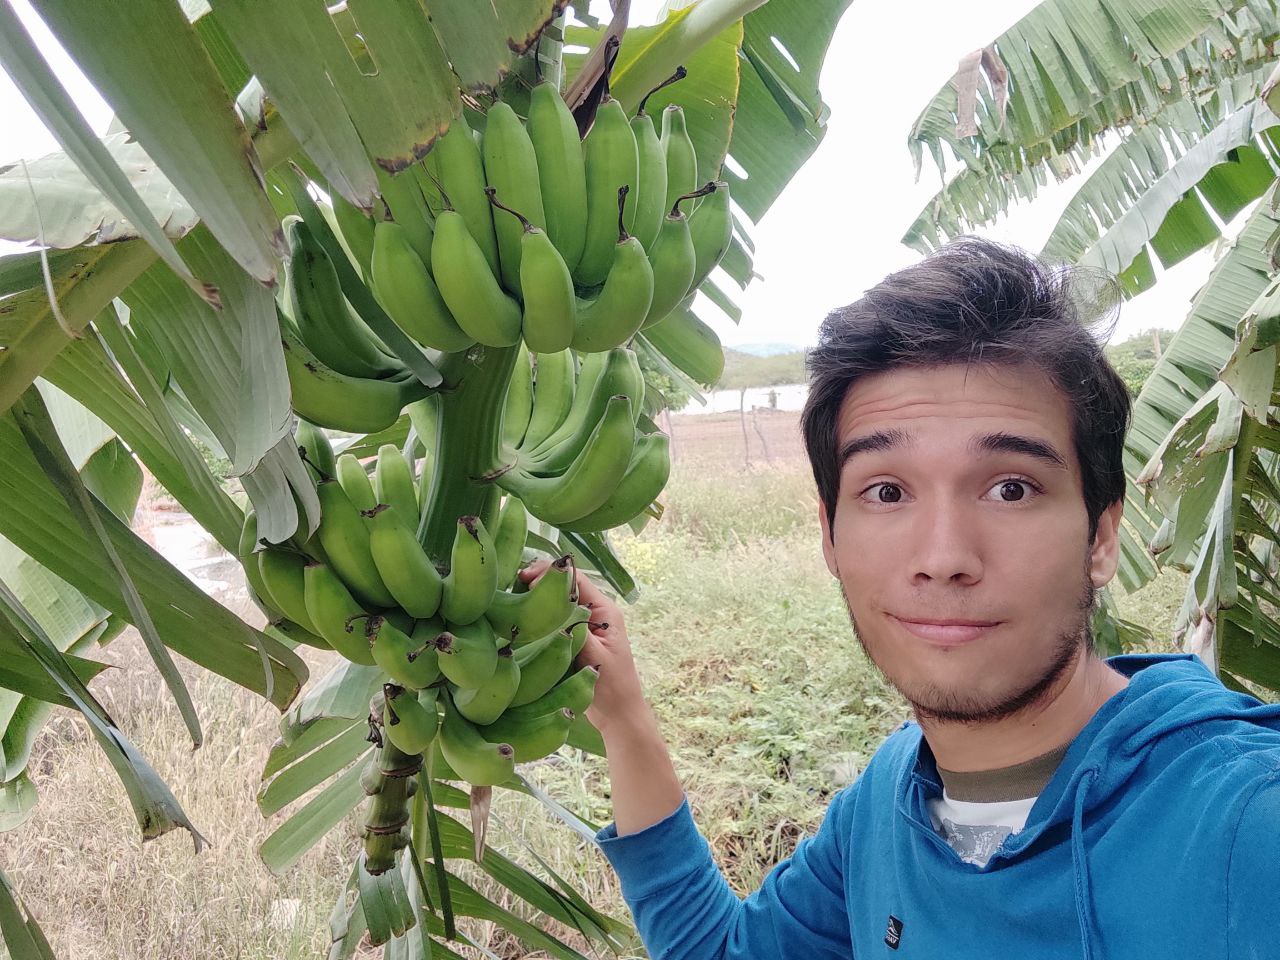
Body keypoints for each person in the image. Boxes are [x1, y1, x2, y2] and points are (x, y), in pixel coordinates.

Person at [519, 237, 1280, 958]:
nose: (943, 558)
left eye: (1011, 488)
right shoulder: (888, 806)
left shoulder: (1241, 825)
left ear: (1102, 535)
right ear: (830, 537)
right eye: (886, 491)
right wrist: (621, 716)